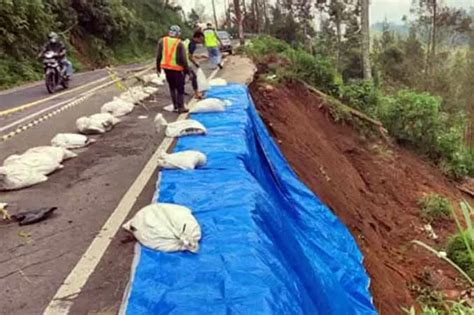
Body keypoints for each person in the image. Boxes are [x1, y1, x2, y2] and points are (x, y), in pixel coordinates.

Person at [156, 25, 189, 113]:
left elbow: (158, 56)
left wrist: (158, 67)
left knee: (172, 87)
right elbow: (183, 59)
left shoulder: (162, 41)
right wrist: (187, 70)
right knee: (180, 88)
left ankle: (175, 106)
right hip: (177, 68)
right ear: (178, 33)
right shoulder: (179, 43)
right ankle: (181, 107)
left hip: (166, 68)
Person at [183, 31, 205, 99]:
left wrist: (197, 56)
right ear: (196, 38)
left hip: (179, 61)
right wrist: (196, 64)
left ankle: (181, 91)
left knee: (182, 77)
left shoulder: (187, 41)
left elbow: (188, 53)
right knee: (193, 77)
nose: (201, 41)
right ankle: (196, 94)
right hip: (185, 62)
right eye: (200, 39)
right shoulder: (192, 44)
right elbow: (189, 56)